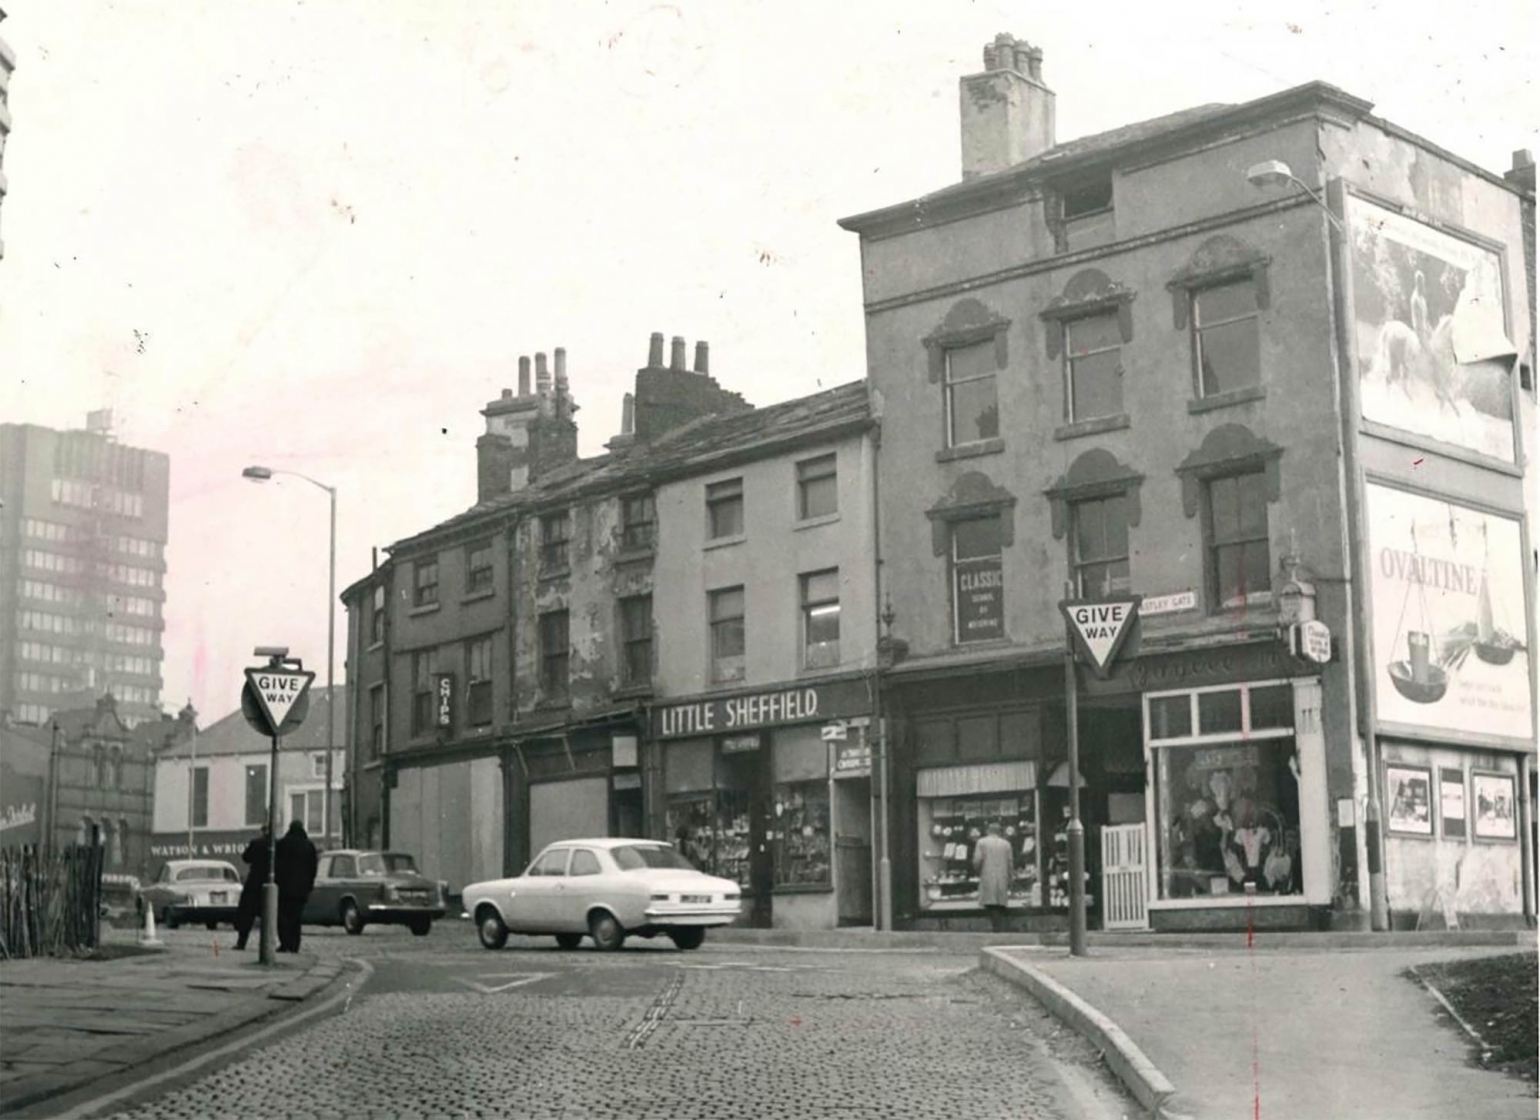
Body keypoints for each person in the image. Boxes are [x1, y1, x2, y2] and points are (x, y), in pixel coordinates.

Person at [274, 820, 318, 953]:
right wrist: (309, 885)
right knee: (296, 918)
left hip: (284, 888)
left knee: (283, 916)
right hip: (301, 890)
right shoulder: (309, 846)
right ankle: (295, 944)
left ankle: (285, 942)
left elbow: (276, 865)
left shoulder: (282, 844)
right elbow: (313, 868)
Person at [232, 824, 270, 951]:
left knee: (247, 913)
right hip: (272, 881)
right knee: (273, 914)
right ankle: (280, 944)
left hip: (255, 882)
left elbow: (246, 857)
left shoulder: (256, 843)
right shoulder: (278, 844)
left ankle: (241, 942)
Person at [973, 821, 1014, 933]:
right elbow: (1010, 862)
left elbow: (977, 860)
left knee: (990, 902)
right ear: (1000, 832)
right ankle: (1000, 926)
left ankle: (996, 927)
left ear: (988, 831)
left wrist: (976, 870)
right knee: (1000, 902)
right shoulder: (1006, 844)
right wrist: (1011, 876)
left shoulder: (981, 842)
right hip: (1002, 876)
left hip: (987, 875)